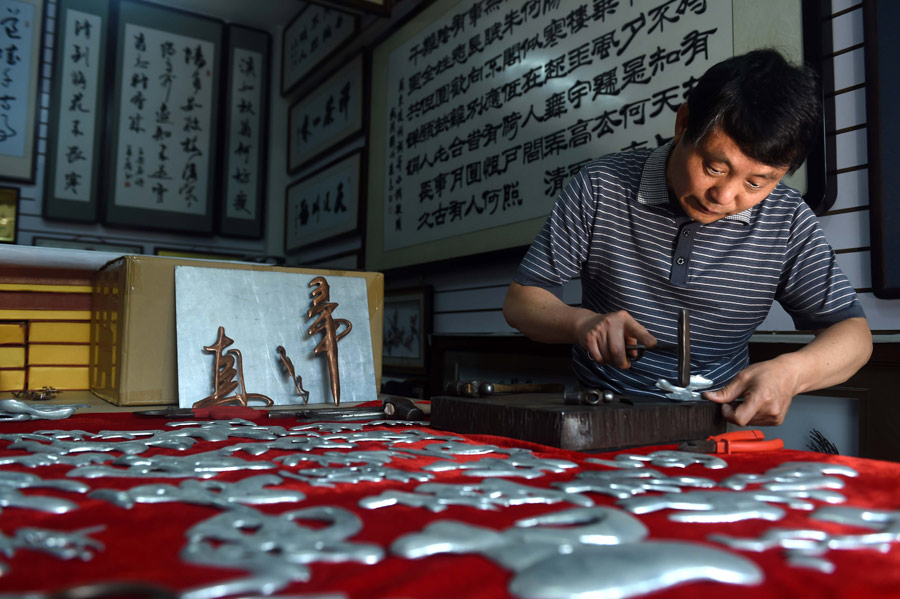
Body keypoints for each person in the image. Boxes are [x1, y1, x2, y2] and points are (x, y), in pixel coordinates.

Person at [502, 48, 872, 427]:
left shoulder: (786, 217)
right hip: (600, 411)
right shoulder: (601, 187)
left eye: (756, 182)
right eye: (714, 167)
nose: (725, 196)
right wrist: (581, 323)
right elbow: (521, 302)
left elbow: (853, 336)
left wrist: (792, 372)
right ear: (683, 124)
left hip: (714, 419)